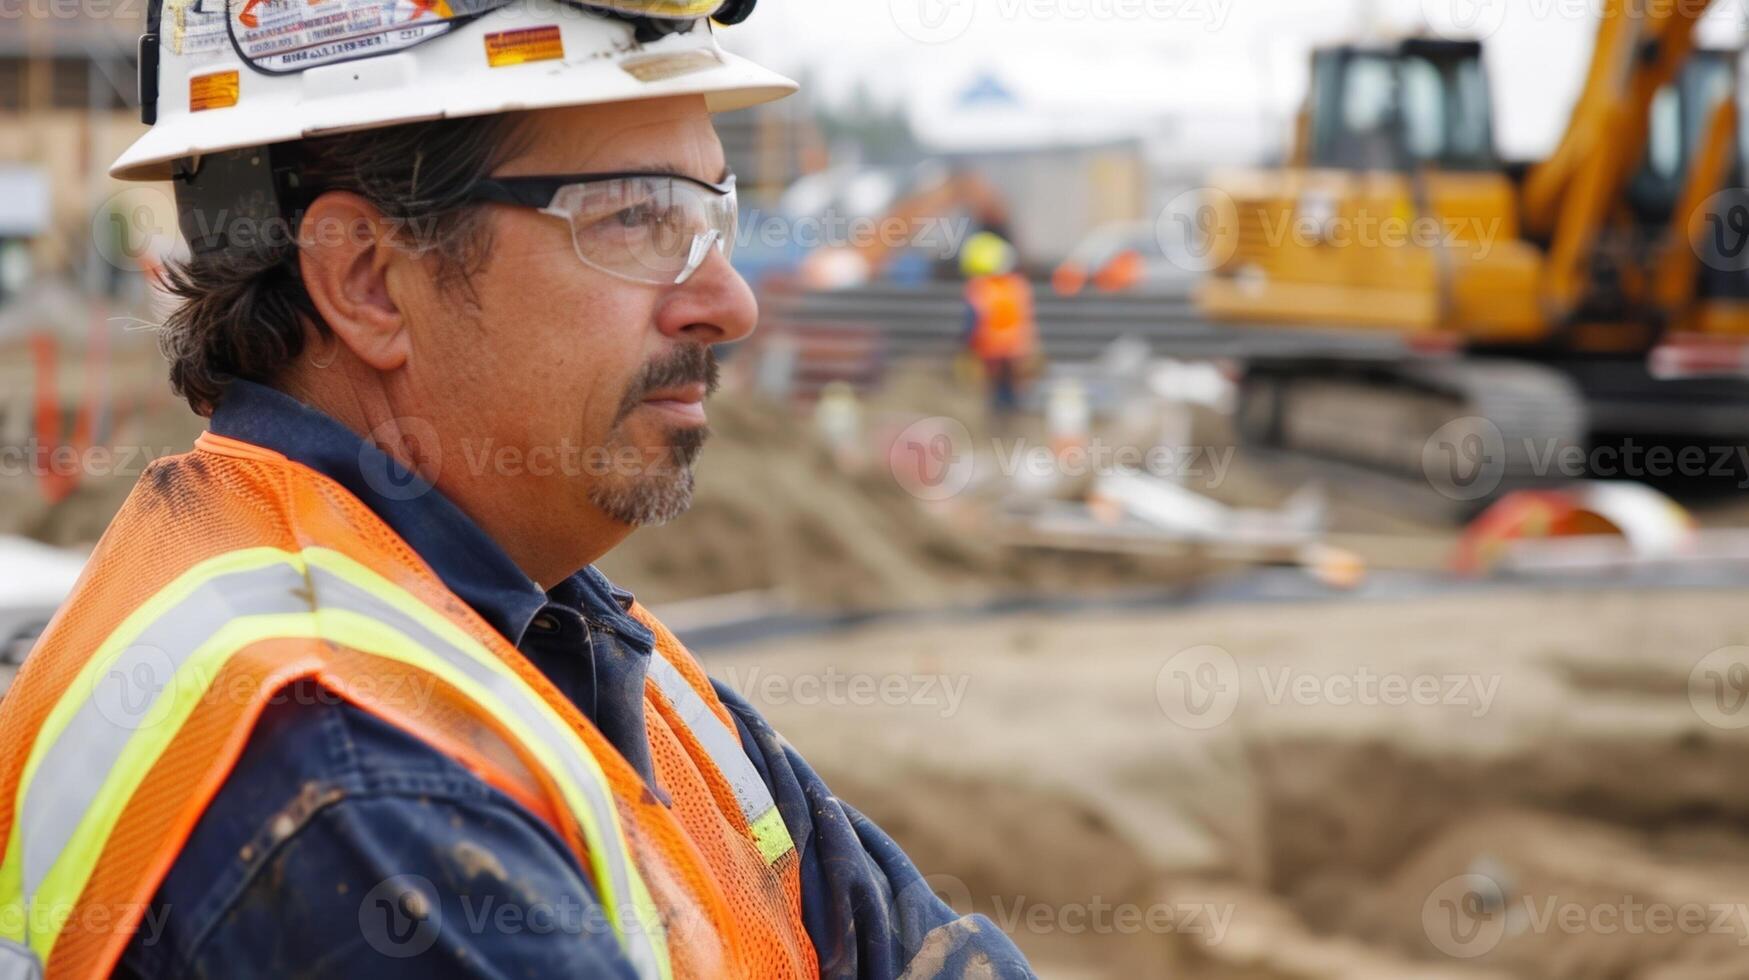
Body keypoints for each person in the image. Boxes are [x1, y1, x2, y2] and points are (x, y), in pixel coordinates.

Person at [0, 1, 1036, 977]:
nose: (731, 301)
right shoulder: (344, 769)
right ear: (366, 278)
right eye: (636, 216)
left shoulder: (561, 635)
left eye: (712, 214)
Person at [959, 231, 1039, 430]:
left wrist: (965, 347)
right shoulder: (1018, 285)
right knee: (1009, 395)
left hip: (991, 351)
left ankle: (998, 430)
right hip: (1015, 350)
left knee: (995, 396)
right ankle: (1009, 429)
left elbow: (973, 320)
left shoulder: (981, 288)